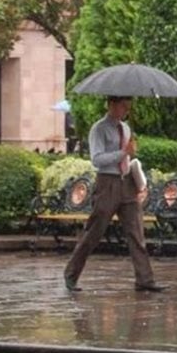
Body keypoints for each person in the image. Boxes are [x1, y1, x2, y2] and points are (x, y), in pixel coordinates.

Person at [63, 96, 165, 293]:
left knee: (136, 231)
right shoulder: (99, 129)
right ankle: (71, 273)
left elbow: (127, 156)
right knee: (95, 231)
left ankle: (145, 279)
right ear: (111, 105)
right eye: (122, 106)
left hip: (126, 182)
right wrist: (122, 153)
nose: (125, 110)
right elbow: (97, 159)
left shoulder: (126, 129)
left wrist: (131, 158)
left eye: (128, 107)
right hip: (107, 183)